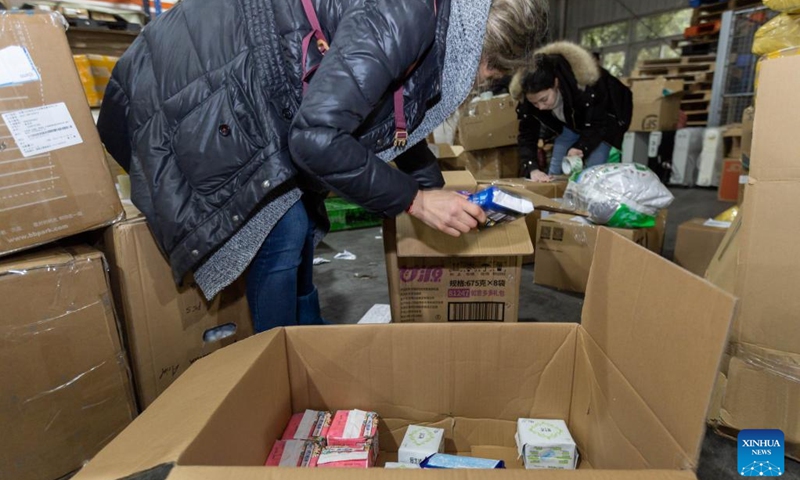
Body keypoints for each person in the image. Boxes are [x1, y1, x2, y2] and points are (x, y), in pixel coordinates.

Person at [97, 0, 549, 333]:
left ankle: (308, 331)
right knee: (283, 226)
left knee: (301, 222)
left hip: (248, 79)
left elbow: (391, 116)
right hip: (195, 85)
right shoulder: (404, 15)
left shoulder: (435, 19)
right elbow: (315, 140)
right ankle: (282, 360)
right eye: (490, 75)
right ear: (482, 51)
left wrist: (432, 186)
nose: (479, 83)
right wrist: (416, 201)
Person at [511, 41, 632, 182]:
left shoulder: (587, 87)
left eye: (544, 99)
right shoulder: (529, 95)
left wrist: (581, 147)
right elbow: (527, 134)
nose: (541, 107)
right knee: (555, 172)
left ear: (556, 83)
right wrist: (532, 168)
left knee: (591, 174)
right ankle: (554, 199)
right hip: (570, 121)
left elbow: (598, 124)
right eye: (534, 103)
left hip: (606, 118)